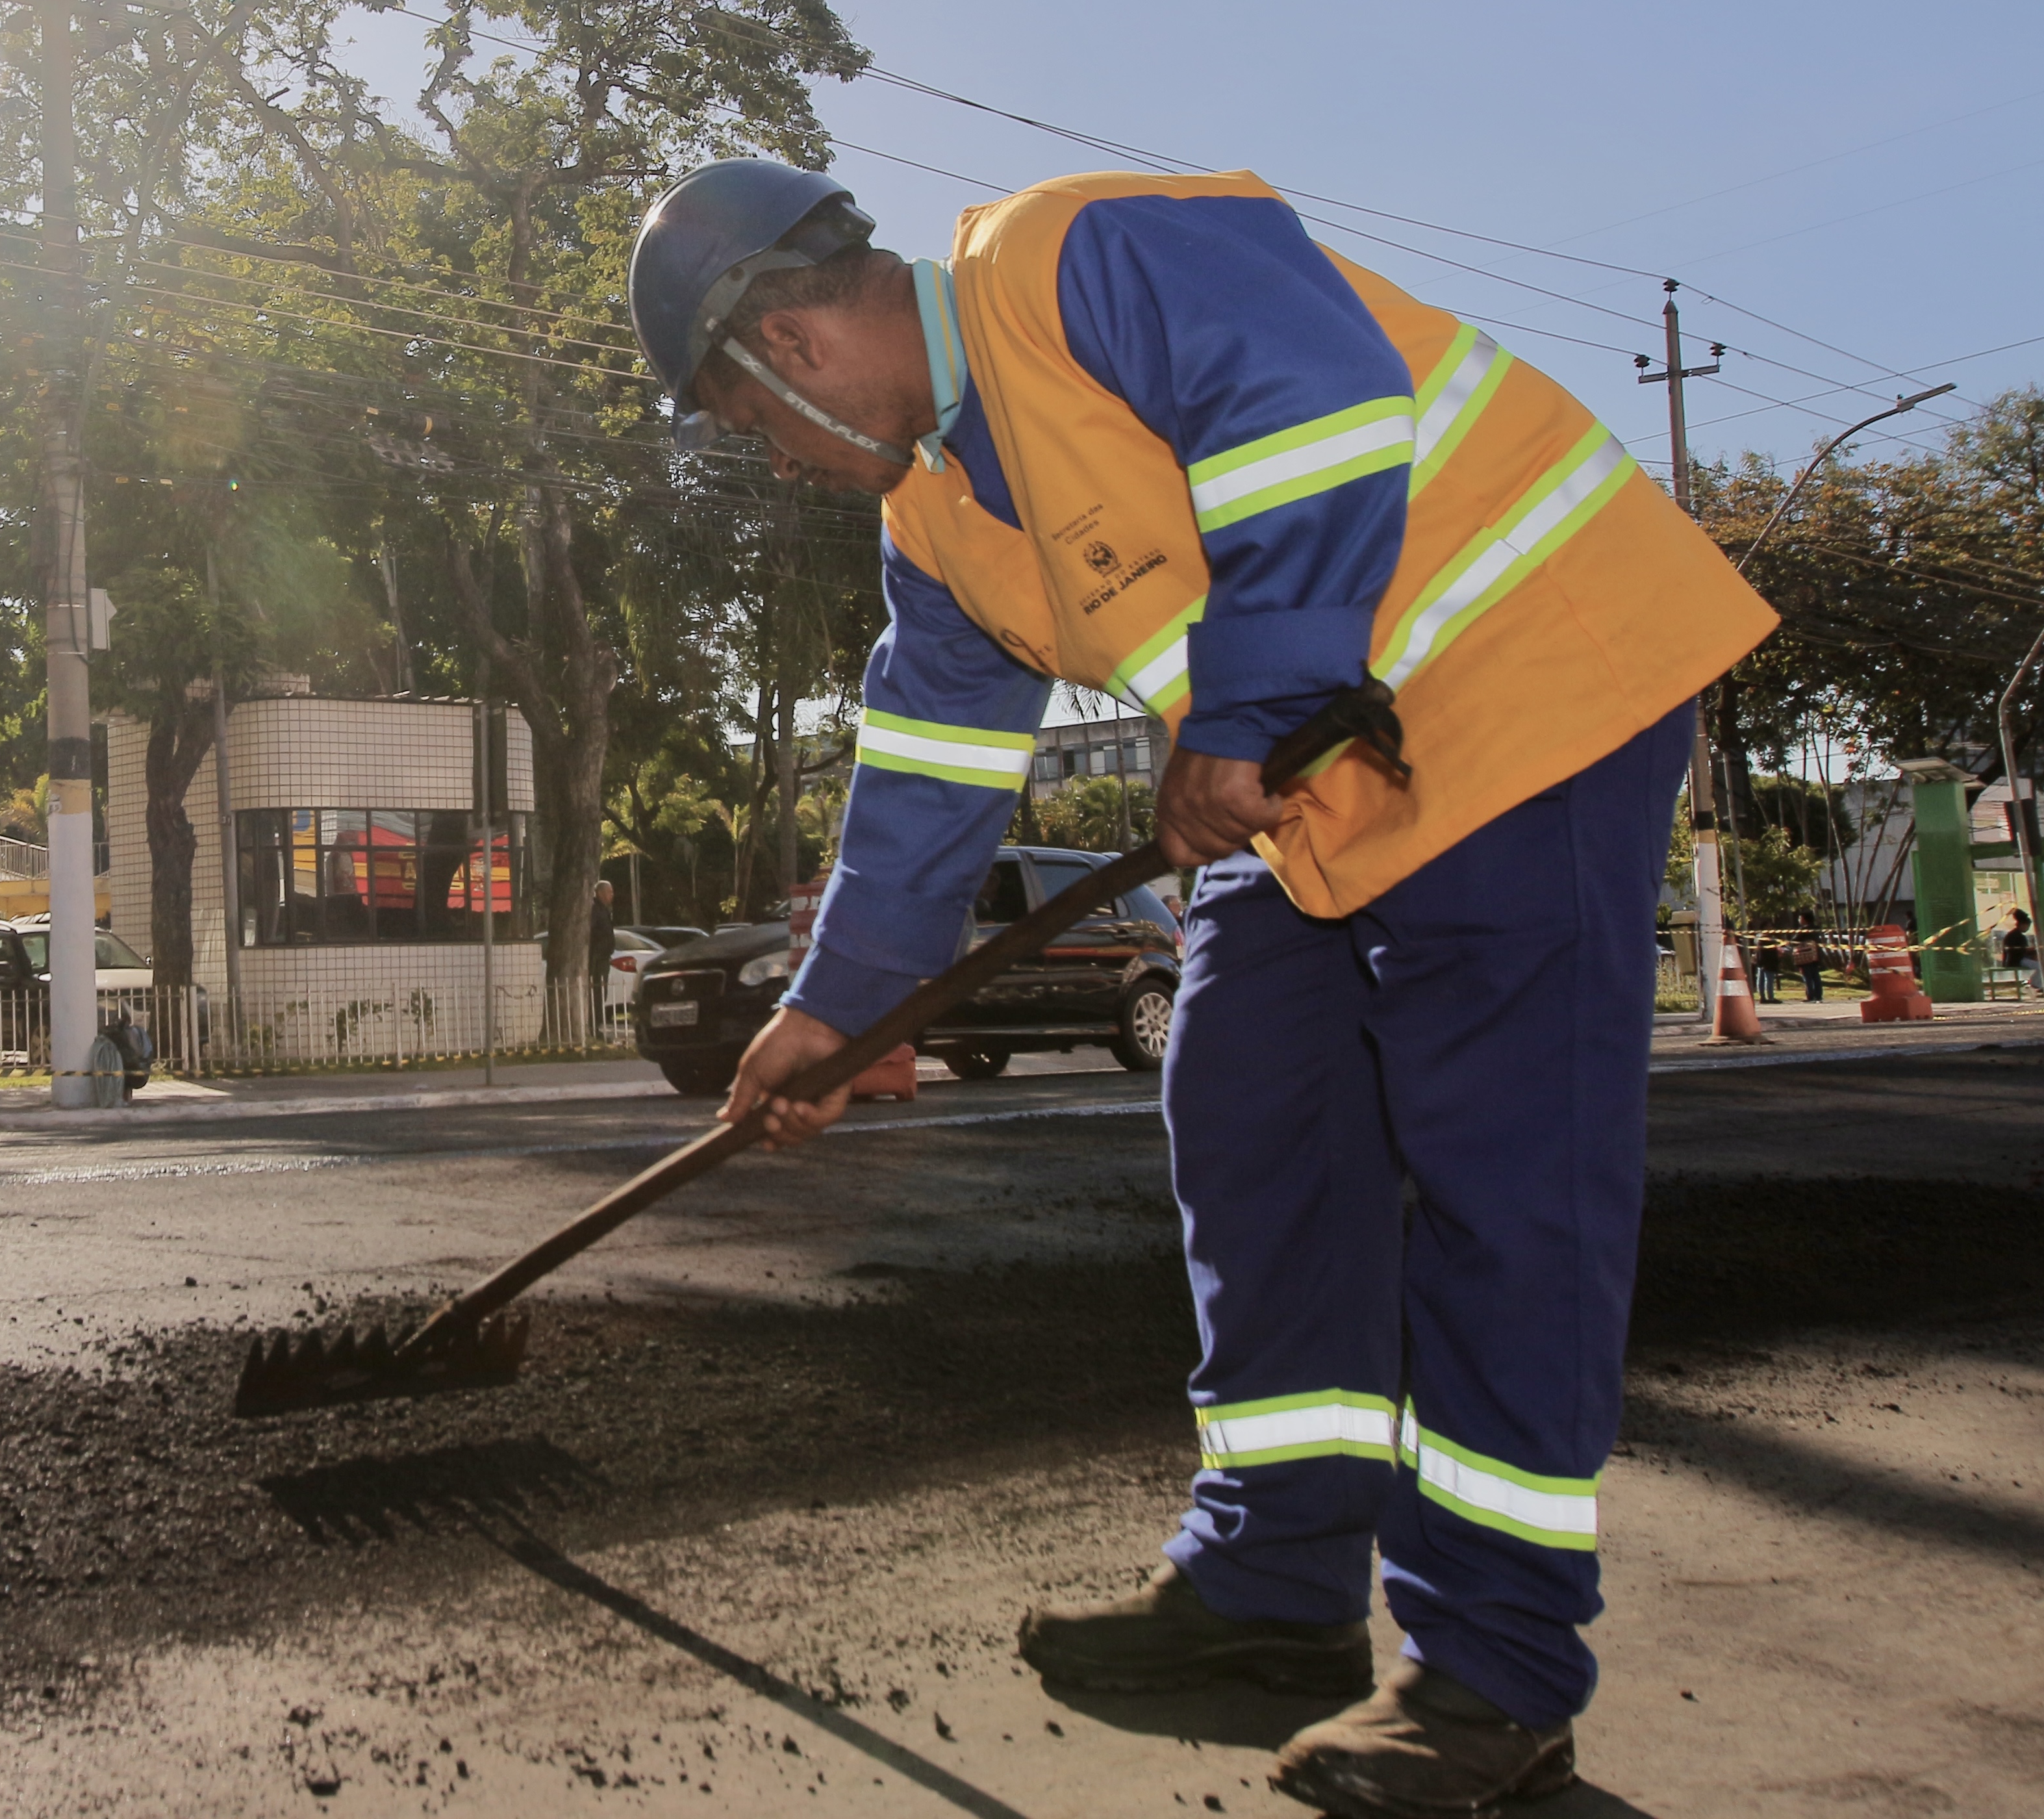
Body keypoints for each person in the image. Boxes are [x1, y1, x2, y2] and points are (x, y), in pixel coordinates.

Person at [627, 160, 1774, 1818]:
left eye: (749, 429)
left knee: (1500, 1186)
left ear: (788, 345)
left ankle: (1495, 1674)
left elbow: (1309, 402)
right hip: (1312, 771)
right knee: (1248, 1108)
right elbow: (930, 769)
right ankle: (1269, 1587)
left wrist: (1243, 705)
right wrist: (837, 1009)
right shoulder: (935, 520)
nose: (777, 463)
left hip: (1530, 693)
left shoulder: (1065, 254)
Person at [588, 876, 620, 1033]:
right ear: (600, 893)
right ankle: (595, 1027)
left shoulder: (604, 910)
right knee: (597, 993)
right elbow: (591, 933)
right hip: (597, 959)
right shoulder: (595, 909)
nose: (612, 895)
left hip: (603, 958)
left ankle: (598, 1025)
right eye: (609, 892)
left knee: (602, 992)